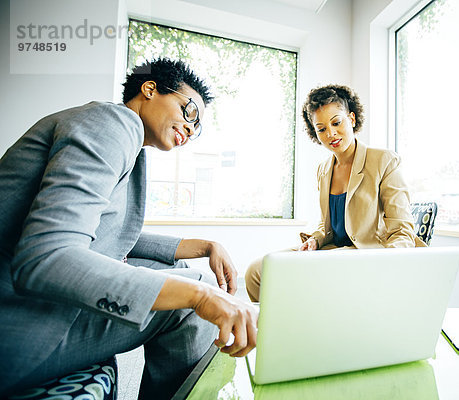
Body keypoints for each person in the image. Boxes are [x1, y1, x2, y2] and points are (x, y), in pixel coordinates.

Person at [0, 58, 257, 399]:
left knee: (183, 273)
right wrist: (200, 296)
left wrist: (202, 245)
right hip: (19, 326)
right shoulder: (113, 122)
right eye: (189, 111)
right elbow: (46, 257)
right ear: (149, 89)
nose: (191, 129)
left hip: (21, 308)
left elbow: (104, 234)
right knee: (191, 296)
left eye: (198, 128)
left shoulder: (120, 138)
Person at [245, 84, 426, 302]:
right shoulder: (323, 170)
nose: (330, 133)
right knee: (257, 272)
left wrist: (384, 265)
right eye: (321, 129)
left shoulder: (384, 161)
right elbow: (326, 226)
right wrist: (315, 240)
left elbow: (402, 229)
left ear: (352, 118)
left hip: (366, 254)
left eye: (336, 122)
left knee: (309, 276)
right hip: (331, 252)